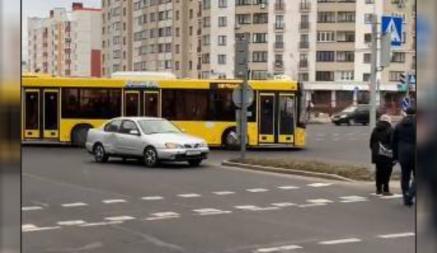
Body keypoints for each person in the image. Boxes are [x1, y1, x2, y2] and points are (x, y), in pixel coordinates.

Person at [392, 107, 416, 206]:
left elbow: (393, 142)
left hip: (403, 154)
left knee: (405, 176)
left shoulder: (399, 125)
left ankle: (406, 199)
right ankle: (410, 193)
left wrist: (395, 156)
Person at [370, 114, 395, 195]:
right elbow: (392, 143)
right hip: (386, 154)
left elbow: (371, 142)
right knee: (387, 171)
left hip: (376, 154)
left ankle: (378, 189)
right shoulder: (390, 130)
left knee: (379, 171)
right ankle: (386, 189)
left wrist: (374, 150)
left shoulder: (375, 129)